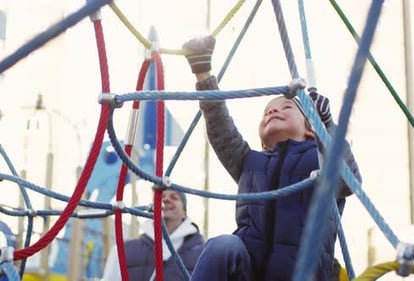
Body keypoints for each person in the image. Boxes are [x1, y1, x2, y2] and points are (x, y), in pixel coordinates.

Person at [182, 35, 362, 281]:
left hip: (302, 273)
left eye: (286, 107)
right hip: (250, 273)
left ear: (310, 128)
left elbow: (349, 181)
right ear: (262, 138)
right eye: (267, 112)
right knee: (222, 246)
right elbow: (220, 128)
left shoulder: (320, 157)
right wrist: (203, 74)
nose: (274, 111)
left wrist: (327, 126)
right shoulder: (251, 163)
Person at [102, 188, 204, 281]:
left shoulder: (203, 253)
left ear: (184, 212)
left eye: (174, 197)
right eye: (161, 197)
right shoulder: (123, 250)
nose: (166, 200)